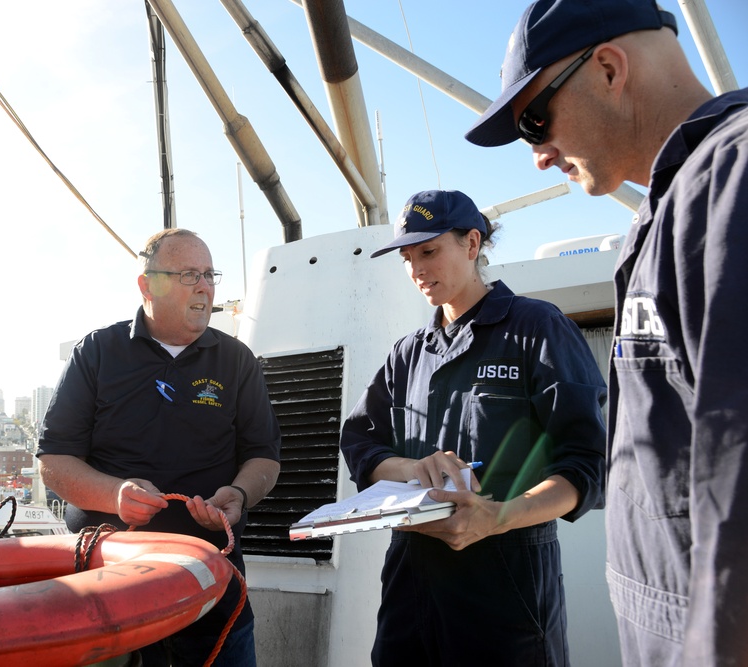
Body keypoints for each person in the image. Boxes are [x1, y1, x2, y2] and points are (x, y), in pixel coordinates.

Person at [465, 0, 748, 664]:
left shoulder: (732, 181)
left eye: (535, 120)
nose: (535, 156)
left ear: (610, 68)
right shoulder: (668, 212)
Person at [340, 190, 606, 666]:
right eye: (407, 257)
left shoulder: (536, 327)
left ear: (471, 244)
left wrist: (496, 516)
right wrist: (412, 467)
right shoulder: (408, 352)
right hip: (409, 584)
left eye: (428, 251)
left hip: (505, 584)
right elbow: (361, 442)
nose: (417, 269)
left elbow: (586, 462)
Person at [37, 228, 281, 667]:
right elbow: (53, 462)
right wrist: (113, 495)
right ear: (147, 285)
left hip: (212, 594)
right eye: (190, 274)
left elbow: (263, 456)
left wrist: (240, 495)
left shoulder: (237, 361)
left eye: (209, 274)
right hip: (108, 600)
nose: (205, 286)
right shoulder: (96, 352)